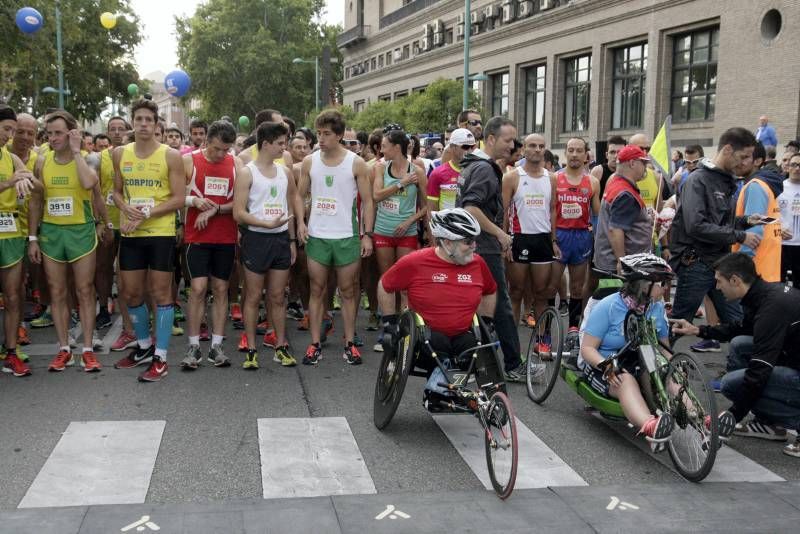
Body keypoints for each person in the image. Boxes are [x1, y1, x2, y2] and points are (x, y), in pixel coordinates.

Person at [581, 253, 736, 449]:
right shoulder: (608, 306)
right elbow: (587, 349)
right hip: (605, 366)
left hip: (643, 363)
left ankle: (704, 421)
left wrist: (675, 367)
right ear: (643, 284)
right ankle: (651, 426)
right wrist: (608, 367)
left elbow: (663, 349)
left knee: (667, 372)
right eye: (661, 284)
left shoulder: (655, 308)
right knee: (625, 379)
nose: (665, 289)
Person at [671, 253, 800, 457]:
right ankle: (768, 423)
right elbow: (740, 329)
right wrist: (699, 330)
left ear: (735, 280)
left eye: (719, 281)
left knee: (731, 385)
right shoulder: (762, 294)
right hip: (793, 357)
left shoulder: (771, 309)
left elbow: (759, 371)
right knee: (740, 345)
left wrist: (733, 415)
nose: (717, 287)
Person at [378, 209, 498, 410]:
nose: (474, 246)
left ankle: (455, 392)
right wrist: (390, 324)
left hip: (462, 334)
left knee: (475, 347)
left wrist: (487, 321)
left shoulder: (478, 263)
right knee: (440, 344)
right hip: (424, 338)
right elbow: (385, 285)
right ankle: (437, 392)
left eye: (474, 240)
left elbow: (491, 291)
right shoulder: (415, 261)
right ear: (447, 242)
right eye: (468, 241)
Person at [111, 99, 185, 382]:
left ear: (156, 125)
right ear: (133, 121)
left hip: (160, 233)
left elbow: (179, 198)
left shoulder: (170, 155)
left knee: (161, 294)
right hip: (132, 232)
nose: (143, 124)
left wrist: (147, 213)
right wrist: (123, 206)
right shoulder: (119, 153)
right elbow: (117, 191)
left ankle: (161, 357)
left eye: (148, 120)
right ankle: (143, 346)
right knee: (130, 293)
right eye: (139, 119)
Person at [296, 109, 374, 366]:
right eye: (318, 133)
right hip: (318, 235)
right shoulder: (310, 161)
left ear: (339, 135)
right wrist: (301, 222)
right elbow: (299, 195)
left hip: (346, 235)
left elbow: (368, 202)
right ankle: (315, 343)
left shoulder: (356, 163)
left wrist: (367, 235)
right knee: (317, 289)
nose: (320, 138)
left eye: (327, 134)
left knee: (348, 291)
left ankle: (350, 343)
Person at [29, 110, 102, 373]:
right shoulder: (41, 161)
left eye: (58, 132)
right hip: (52, 233)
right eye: (49, 133)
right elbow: (37, 200)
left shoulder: (89, 158)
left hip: (81, 232)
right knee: (57, 291)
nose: (53, 138)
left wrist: (75, 150)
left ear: (71, 132)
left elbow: (87, 183)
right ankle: (63, 349)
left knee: (84, 290)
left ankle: (87, 350)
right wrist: (33, 238)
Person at [669, 127, 762, 328]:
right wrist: (740, 236)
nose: (746, 162)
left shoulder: (726, 180)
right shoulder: (698, 179)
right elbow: (696, 226)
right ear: (727, 149)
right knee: (680, 323)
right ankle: (659, 358)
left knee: (739, 322)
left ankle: (746, 359)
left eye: (749, 157)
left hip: (721, 263)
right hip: (695, 262)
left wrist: (746, 220)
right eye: (743, 156)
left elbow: (718, 221)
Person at [456, 116, 523, 380]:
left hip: (470, 246)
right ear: (491, 139)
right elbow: (471, 208)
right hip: (483, 247)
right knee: (500, 305)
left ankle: (475, 361)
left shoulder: (472, 165)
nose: (512, 146)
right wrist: (500, 234)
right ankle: (513, 364)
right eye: (507, 141)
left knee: (476, 307)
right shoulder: (483, 169)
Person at [234, 121, 304, 369]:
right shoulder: (247, 172)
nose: (284, 148)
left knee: (277, 296)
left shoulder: (284, 172)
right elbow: (238, 213)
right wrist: (263, 223)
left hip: (281, 239)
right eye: (280, 143)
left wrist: (293, 239)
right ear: (266, 144)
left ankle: (280, 346)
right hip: (256, 239)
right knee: (253, 296)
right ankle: (251, 348)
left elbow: (292, 202)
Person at [180, 120, 240, 370]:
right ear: (206, 141)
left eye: (225, 150)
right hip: (197, 237)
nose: (220, 154)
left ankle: (216, 346)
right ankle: (193, 346)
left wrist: (216, 209)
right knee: (197, 288)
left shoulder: (236, 163)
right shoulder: (189, 161)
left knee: (221, 289)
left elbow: (240, 203)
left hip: (225, 236)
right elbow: (173, 196)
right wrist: (193, 201)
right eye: (216, 149)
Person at [502, 133, 556, 335]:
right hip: (519, 238)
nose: (537, 150)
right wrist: (505, 242)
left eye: (541, 146)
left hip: (542, 239)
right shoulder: (512, 177)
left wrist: (554, 239)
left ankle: (542, 341)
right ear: (524, 149)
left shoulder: (551, 178)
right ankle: (512, 344)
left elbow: (552, 210)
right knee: (515, 292)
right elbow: (505, 211)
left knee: (541, 293)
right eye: (532, 145)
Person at [550, 137, 601, 351]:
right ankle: (544, 333)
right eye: (570, 150)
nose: (574, 154)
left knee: (578, 287)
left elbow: (597, 215)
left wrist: (598, 240)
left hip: (581, 237)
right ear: (565, 153)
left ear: (586, 155)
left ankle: (573, 329)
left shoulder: (592, 182)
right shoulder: (554, 178)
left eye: (578, 150)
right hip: (559, 235)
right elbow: (549, 210)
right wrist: (551, 239)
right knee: (549, 287)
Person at [0, 105, 39, 377]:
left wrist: (28, 181)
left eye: (13, 130)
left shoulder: (11, 158)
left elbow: (30, 181)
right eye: (7, 129)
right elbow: (11, 181)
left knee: (14, 295)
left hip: (11, 232)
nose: (10, 135)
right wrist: (7, 183)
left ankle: (11, 352)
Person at [372, 128, 427, 313]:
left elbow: (428, 206)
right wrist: (401, 183)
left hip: (406, 232)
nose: (382, 151)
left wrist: (409, 221)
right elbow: (376, 196)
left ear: (396, 148)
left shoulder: (417, 171)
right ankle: (389, 322)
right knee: (387, 280)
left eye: (385, 147)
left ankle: (406, 325)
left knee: (405, 282)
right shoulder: (380, 167)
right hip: (383, 231)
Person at [593, 145, 653, 274]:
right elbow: (616, 230)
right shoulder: (625, 193)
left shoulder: (616, 182)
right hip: (619, 266)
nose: (645, 167)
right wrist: (622, 261)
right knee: (620, 295)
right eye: (643, 163)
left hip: (610, 262)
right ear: (632, 163)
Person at [731, 142, 784, 282]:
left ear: (758, 161)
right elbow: (766, 219)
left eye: (744, 157)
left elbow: (754, 230)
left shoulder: (755, 186)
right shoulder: (764, 184)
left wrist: (740, 266)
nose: (738, 161)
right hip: (767, 267)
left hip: (754, 270)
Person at [426, 128, 475, 213]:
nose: (469, 151)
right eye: (465, 147)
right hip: (445, 225)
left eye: (472, 147)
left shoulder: (478, 171)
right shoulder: (437, 173)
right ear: (452, 147)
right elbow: (431, 209)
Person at [778, 153, 800, 287]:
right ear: (787, 167)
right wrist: (777, 228)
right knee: (781, 282)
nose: (797, 168)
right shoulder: (778, 187)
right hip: (782, 244)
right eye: (794, 165)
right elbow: (768, 215)